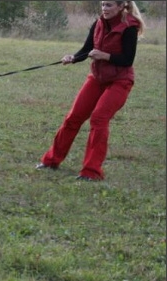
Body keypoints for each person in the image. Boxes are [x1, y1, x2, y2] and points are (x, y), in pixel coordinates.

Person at [36, 1, 145, 181]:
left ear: (120, 7)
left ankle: (91, 172)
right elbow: (87, 50)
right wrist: (73, 57)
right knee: (73, 117)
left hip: (120, 80)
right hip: (97, 78)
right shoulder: (98, 23)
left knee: (99, 118)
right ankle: (51, 161)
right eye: (102, 4)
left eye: (109, 5)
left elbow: (127, 60)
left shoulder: (129, 27)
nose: (104, 8)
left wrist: (104, 56)